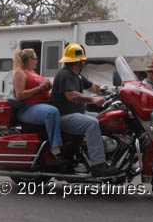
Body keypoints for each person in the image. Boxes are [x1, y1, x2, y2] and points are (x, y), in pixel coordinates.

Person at [51, 43, 119, 177]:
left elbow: (93, 87)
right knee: (91, 123)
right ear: (77, 62)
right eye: (81, 61)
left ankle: (104, 152)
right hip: (64, 116)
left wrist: (112, 91)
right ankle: (98, 164)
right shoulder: (65, 75)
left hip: (77, 113)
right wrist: (93, 100)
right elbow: (71, 95)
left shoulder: (77, 76)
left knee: (103, 117)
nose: (82, 64)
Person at [12, 49, 65, 164]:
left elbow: (41, 89)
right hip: (28, 108)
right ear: (29, 60)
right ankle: (55, 149)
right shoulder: (20, 73)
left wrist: (48, 87)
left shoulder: (34, 73)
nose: (37, 61)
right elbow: (20, 95)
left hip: (41, 106)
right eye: (35, 58)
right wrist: (39, 87)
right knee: (52, 112)